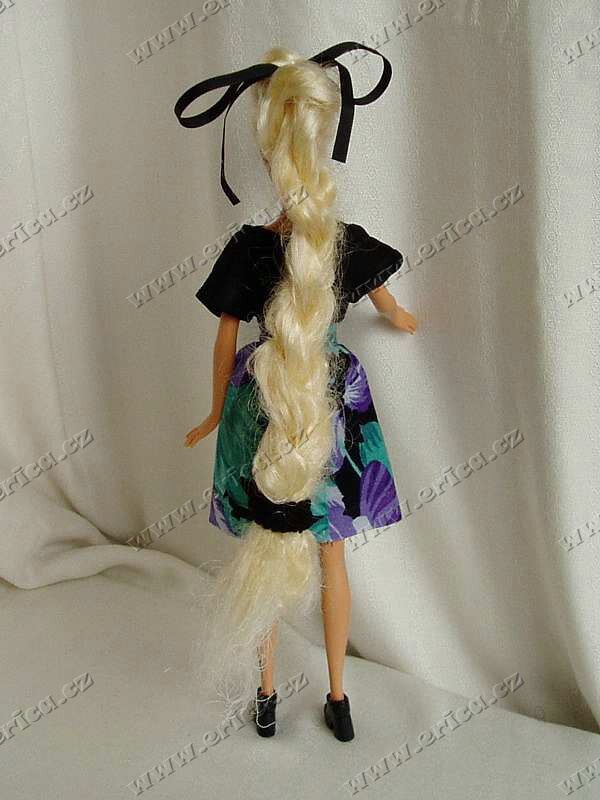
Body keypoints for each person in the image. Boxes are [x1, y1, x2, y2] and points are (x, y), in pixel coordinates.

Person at [175, 42, 417, 741]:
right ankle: (309, 692)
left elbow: (226, 340)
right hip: (302, 402)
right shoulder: (307, 244)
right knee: (302, 552)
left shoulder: (261, 247)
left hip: (288, 402)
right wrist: (404, 319)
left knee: (281, 552)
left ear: (268, 154)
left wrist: (217, 409)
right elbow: (388, 307)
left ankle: (293, 691)